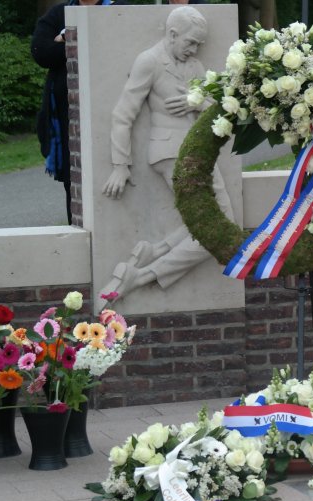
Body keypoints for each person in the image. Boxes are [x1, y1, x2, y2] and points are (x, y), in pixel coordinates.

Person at [98, 6, 233, 308]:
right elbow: (123, 114)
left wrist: (193, 102)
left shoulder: (195, 66)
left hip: (200, 154)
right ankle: (145, 274)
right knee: (217, 229)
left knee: (217, 225)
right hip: (170, 152)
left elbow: (217, 105)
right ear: (172, 35)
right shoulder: (149, 61)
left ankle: (152, 254)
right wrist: (121, 166)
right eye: (190, 42)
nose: (195, 48)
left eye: (199, 43)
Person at [31, 0, 110, 225]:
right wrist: (73, 39)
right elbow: (41, 52)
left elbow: (109, 44)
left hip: (106, 110)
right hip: (67, 116)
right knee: (73, 180)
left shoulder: (116, 8)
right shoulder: (59, 13)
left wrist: (64, 38)